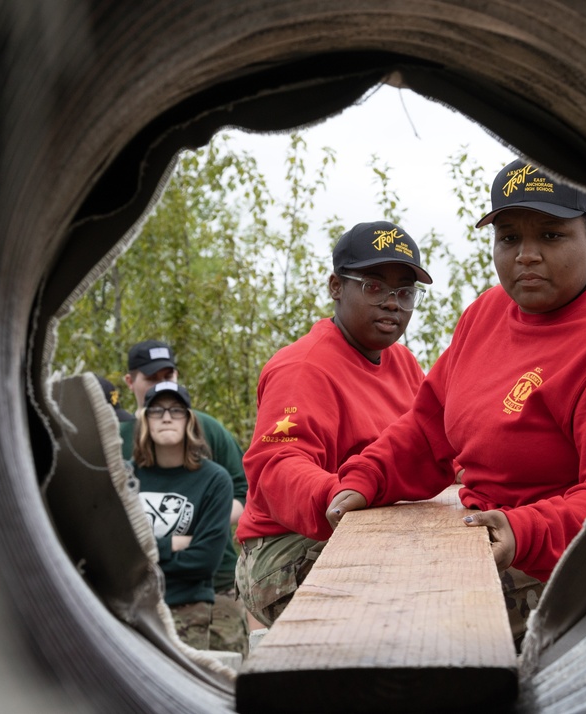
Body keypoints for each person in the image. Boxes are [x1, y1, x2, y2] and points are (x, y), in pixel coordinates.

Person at [327, 159, 586, 649]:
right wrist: (367, 478)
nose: (526, 255)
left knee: (403, 644)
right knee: (349, 613)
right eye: (509, 238)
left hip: (563, 568)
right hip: (479, 536)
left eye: (550, 236)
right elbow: (427, 428)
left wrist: (521, 530)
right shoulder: (487, 312)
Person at [235, 220, 434, 629]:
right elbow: (276, 467)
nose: (393, 303)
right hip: (285, 548)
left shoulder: (405, 364)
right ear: (336, 286)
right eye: (374, 286)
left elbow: (433, 443)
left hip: (378, 531)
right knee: (418, 604)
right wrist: (341, 495)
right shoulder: (302, 367)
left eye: (405, 292)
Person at [120, 340, 249, 655]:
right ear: (130, 382)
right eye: (152, 378)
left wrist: (207, 527)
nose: (167, 417)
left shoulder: (210, 431)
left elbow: (244, 494)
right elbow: (114, 540)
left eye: (169, 374)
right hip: (136, 593)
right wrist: (179, 541)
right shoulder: (116, 440)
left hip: (212, 584)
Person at [132, 381, 234, 649]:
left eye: (176, 410)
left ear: (189, 420)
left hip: (188, 611)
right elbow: (112, 552)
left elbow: (205, 560)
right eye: (156, 410)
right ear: (145, 420)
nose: (166, 417)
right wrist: (174, 544)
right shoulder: (124, 476)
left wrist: (140, 554)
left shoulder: (214, 480)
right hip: (131, 607)